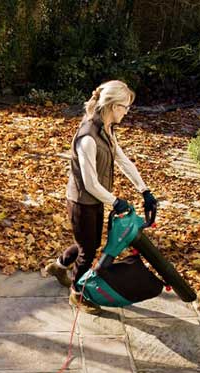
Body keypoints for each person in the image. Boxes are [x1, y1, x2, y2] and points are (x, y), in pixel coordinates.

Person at [43, 80, 158, 314]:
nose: (127, 111)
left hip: (95, 200)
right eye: (125, 107)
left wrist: (145, 191)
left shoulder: (106, 129)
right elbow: (90, 183)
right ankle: (77, 294)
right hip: (81, 202)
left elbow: (123, 160)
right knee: (88, 250)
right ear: (113, 106)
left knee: (88, 243)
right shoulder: (88, 137)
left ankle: (58, 266)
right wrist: (115, 201)